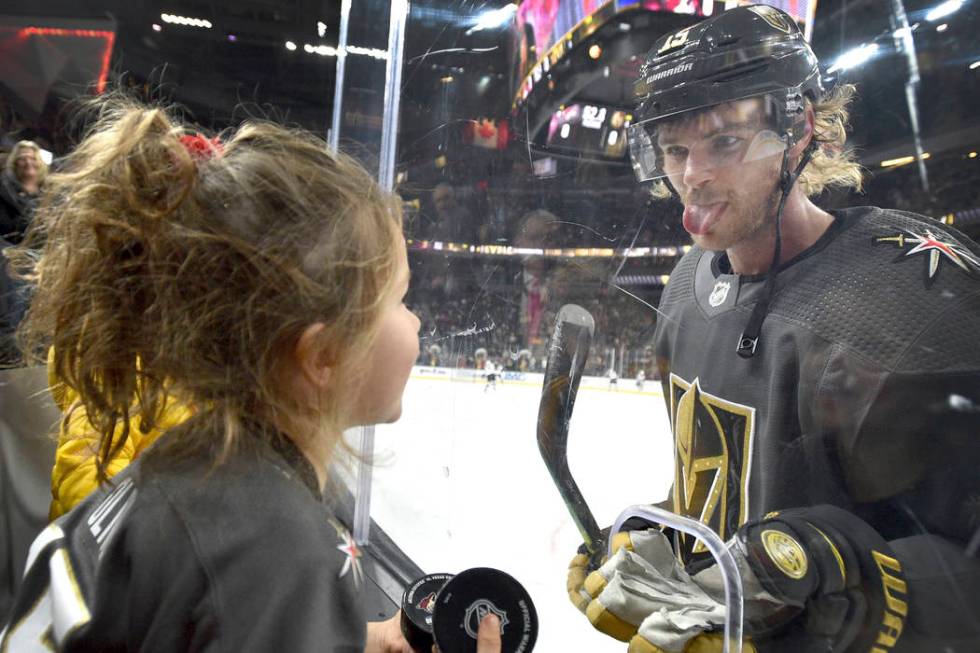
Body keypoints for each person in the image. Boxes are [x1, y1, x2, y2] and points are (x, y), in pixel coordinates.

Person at [2, 98, 501, 653]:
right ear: (324, 355)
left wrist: (348, 639)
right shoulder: (275, 546)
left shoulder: (193, 466)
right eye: (401, 298)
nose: (417, 319)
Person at [567, 5, 980, 653]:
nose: (692, 174)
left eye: (724, 142)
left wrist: (849, 583)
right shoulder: (685, 289)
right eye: (675, 149)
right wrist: (673, 540)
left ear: (802, 129)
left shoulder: (908, 291)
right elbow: (722, 488)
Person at [0, 140, 47, 245]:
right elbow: (5, 227)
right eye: (22, 158)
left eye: (33, 158)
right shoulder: (4, 192)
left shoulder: (50, 190)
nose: (28, 162)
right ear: (15, 163)